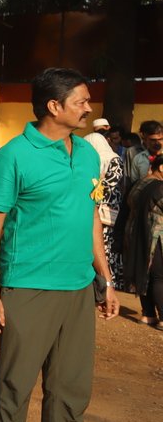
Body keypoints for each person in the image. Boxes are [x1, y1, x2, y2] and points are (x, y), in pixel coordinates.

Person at [0, 67, 119, 422]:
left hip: (77, 289)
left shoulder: (88, 154)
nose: (88, 108)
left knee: (71, 390)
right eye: (81, 101)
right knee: (15, 387)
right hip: (27, 287)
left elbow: (92, 217)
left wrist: (105, 277)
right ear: (53, 106)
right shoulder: (15, 156)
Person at [124, 152, 163, 328]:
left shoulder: (139, 184)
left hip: (135, 236)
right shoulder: (159, 187)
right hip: (155, 238)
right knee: (159, 277)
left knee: (143, 273)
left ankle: (148, 314)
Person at [85, 126, 126, 285]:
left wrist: (94, 191)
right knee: (102, 243)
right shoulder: (114, 159)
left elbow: (107, 186)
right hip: (105, 208)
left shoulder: (106, 159)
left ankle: (104, 280)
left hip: (102, 209)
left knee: (103, 244)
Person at [127, 120, 163, 189]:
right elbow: (134, 183)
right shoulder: (138, 159)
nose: (157, 143)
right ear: (145, 139)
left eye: (160, 139)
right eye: (153, 140)